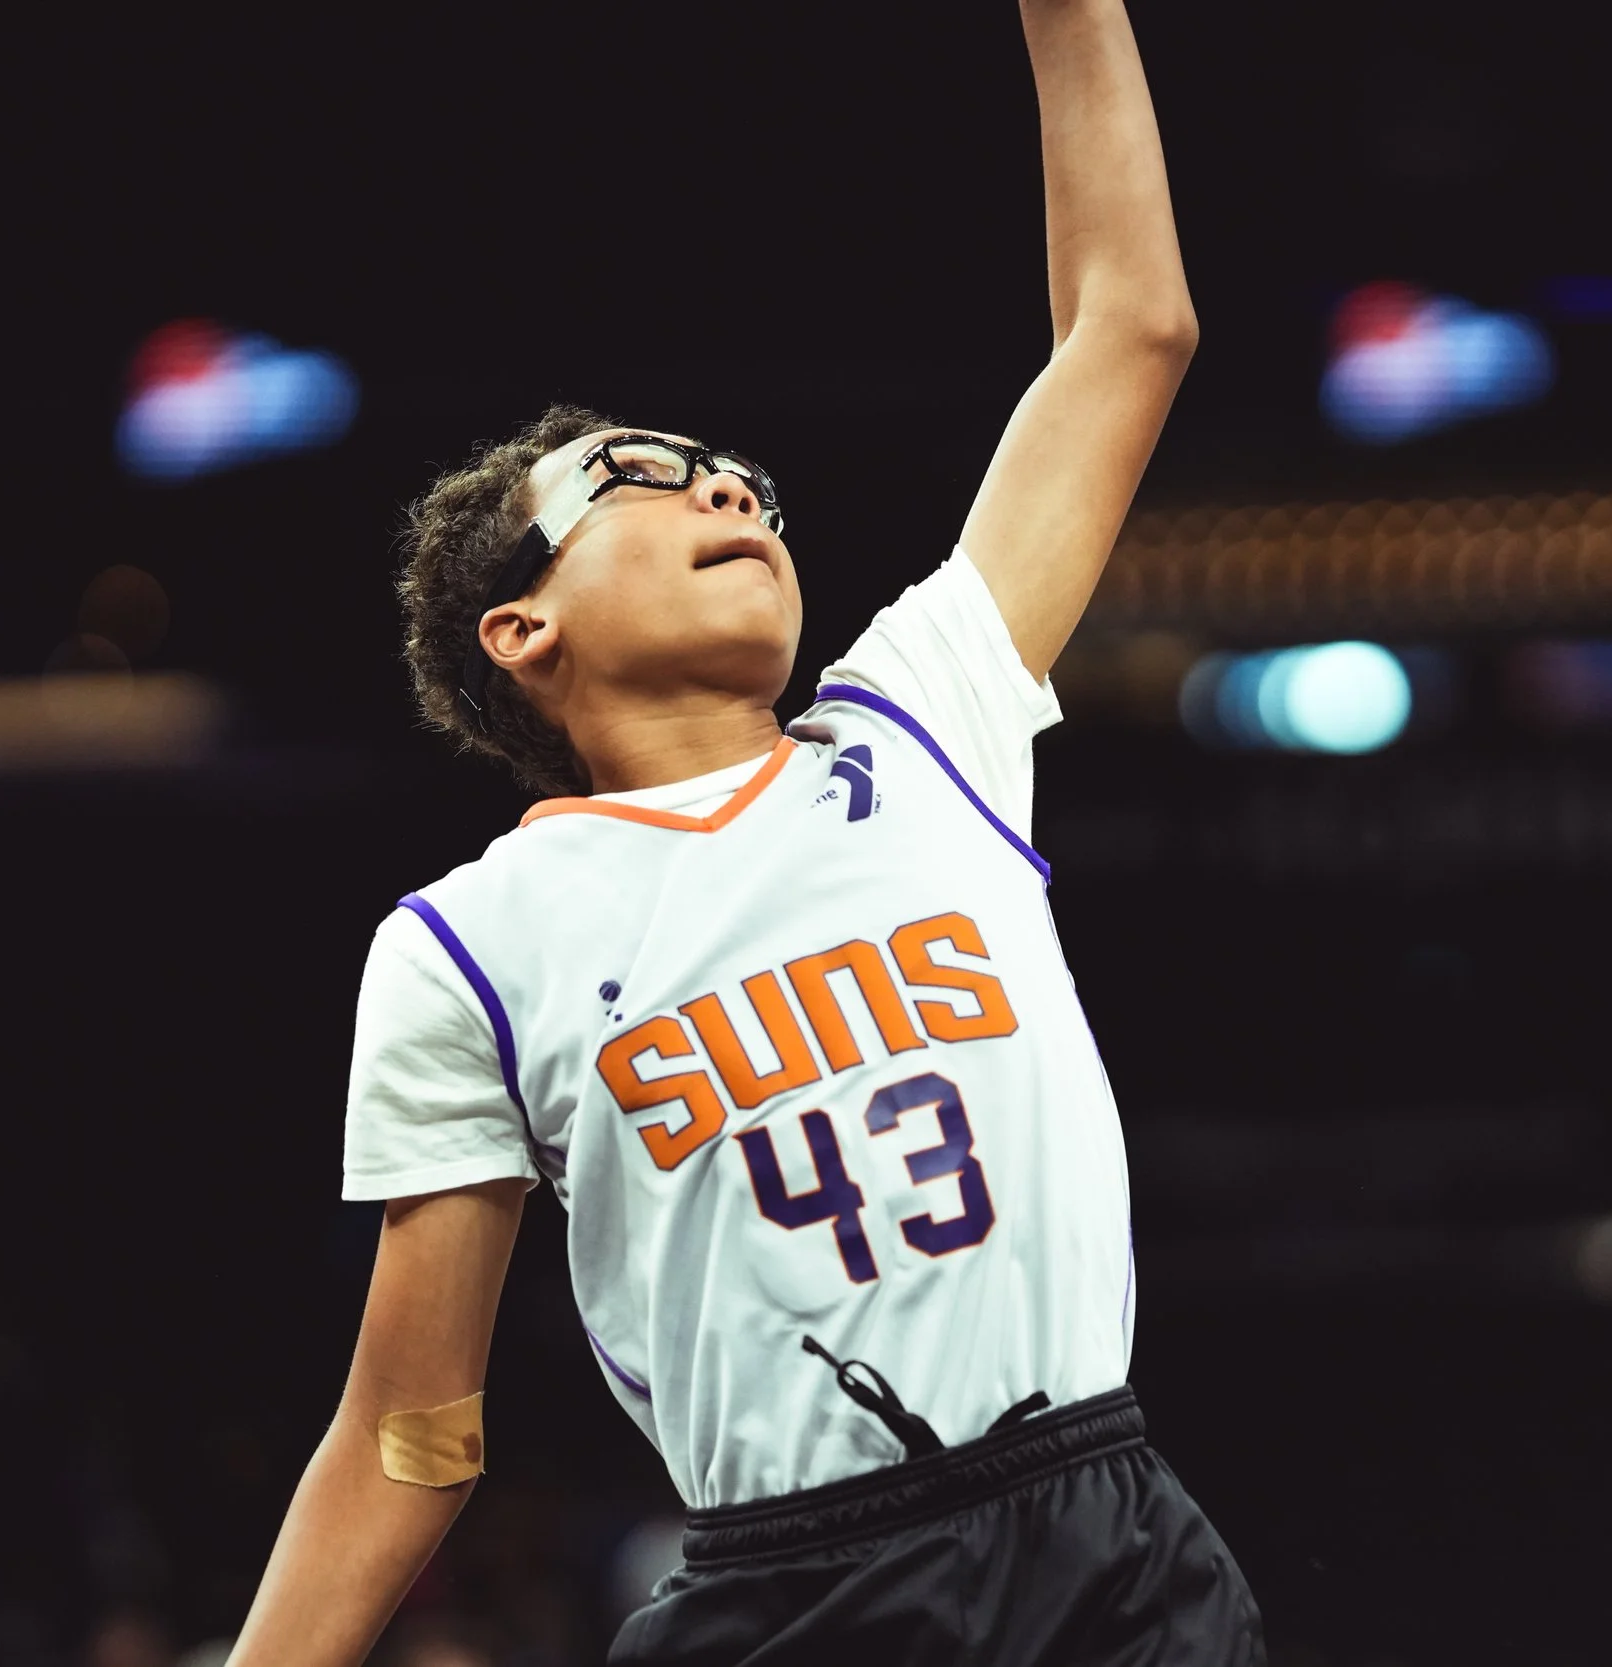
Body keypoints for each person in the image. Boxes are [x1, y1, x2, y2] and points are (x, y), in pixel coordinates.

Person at [230, 3, 1263, 1661]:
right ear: (520, 628)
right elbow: (411, 1432)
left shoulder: (923, 721)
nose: (732, 496)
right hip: (795, 1588)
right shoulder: (465, 951)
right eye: (647, 475)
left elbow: (1130, 325)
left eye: (745, 482)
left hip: (1108, 1539)